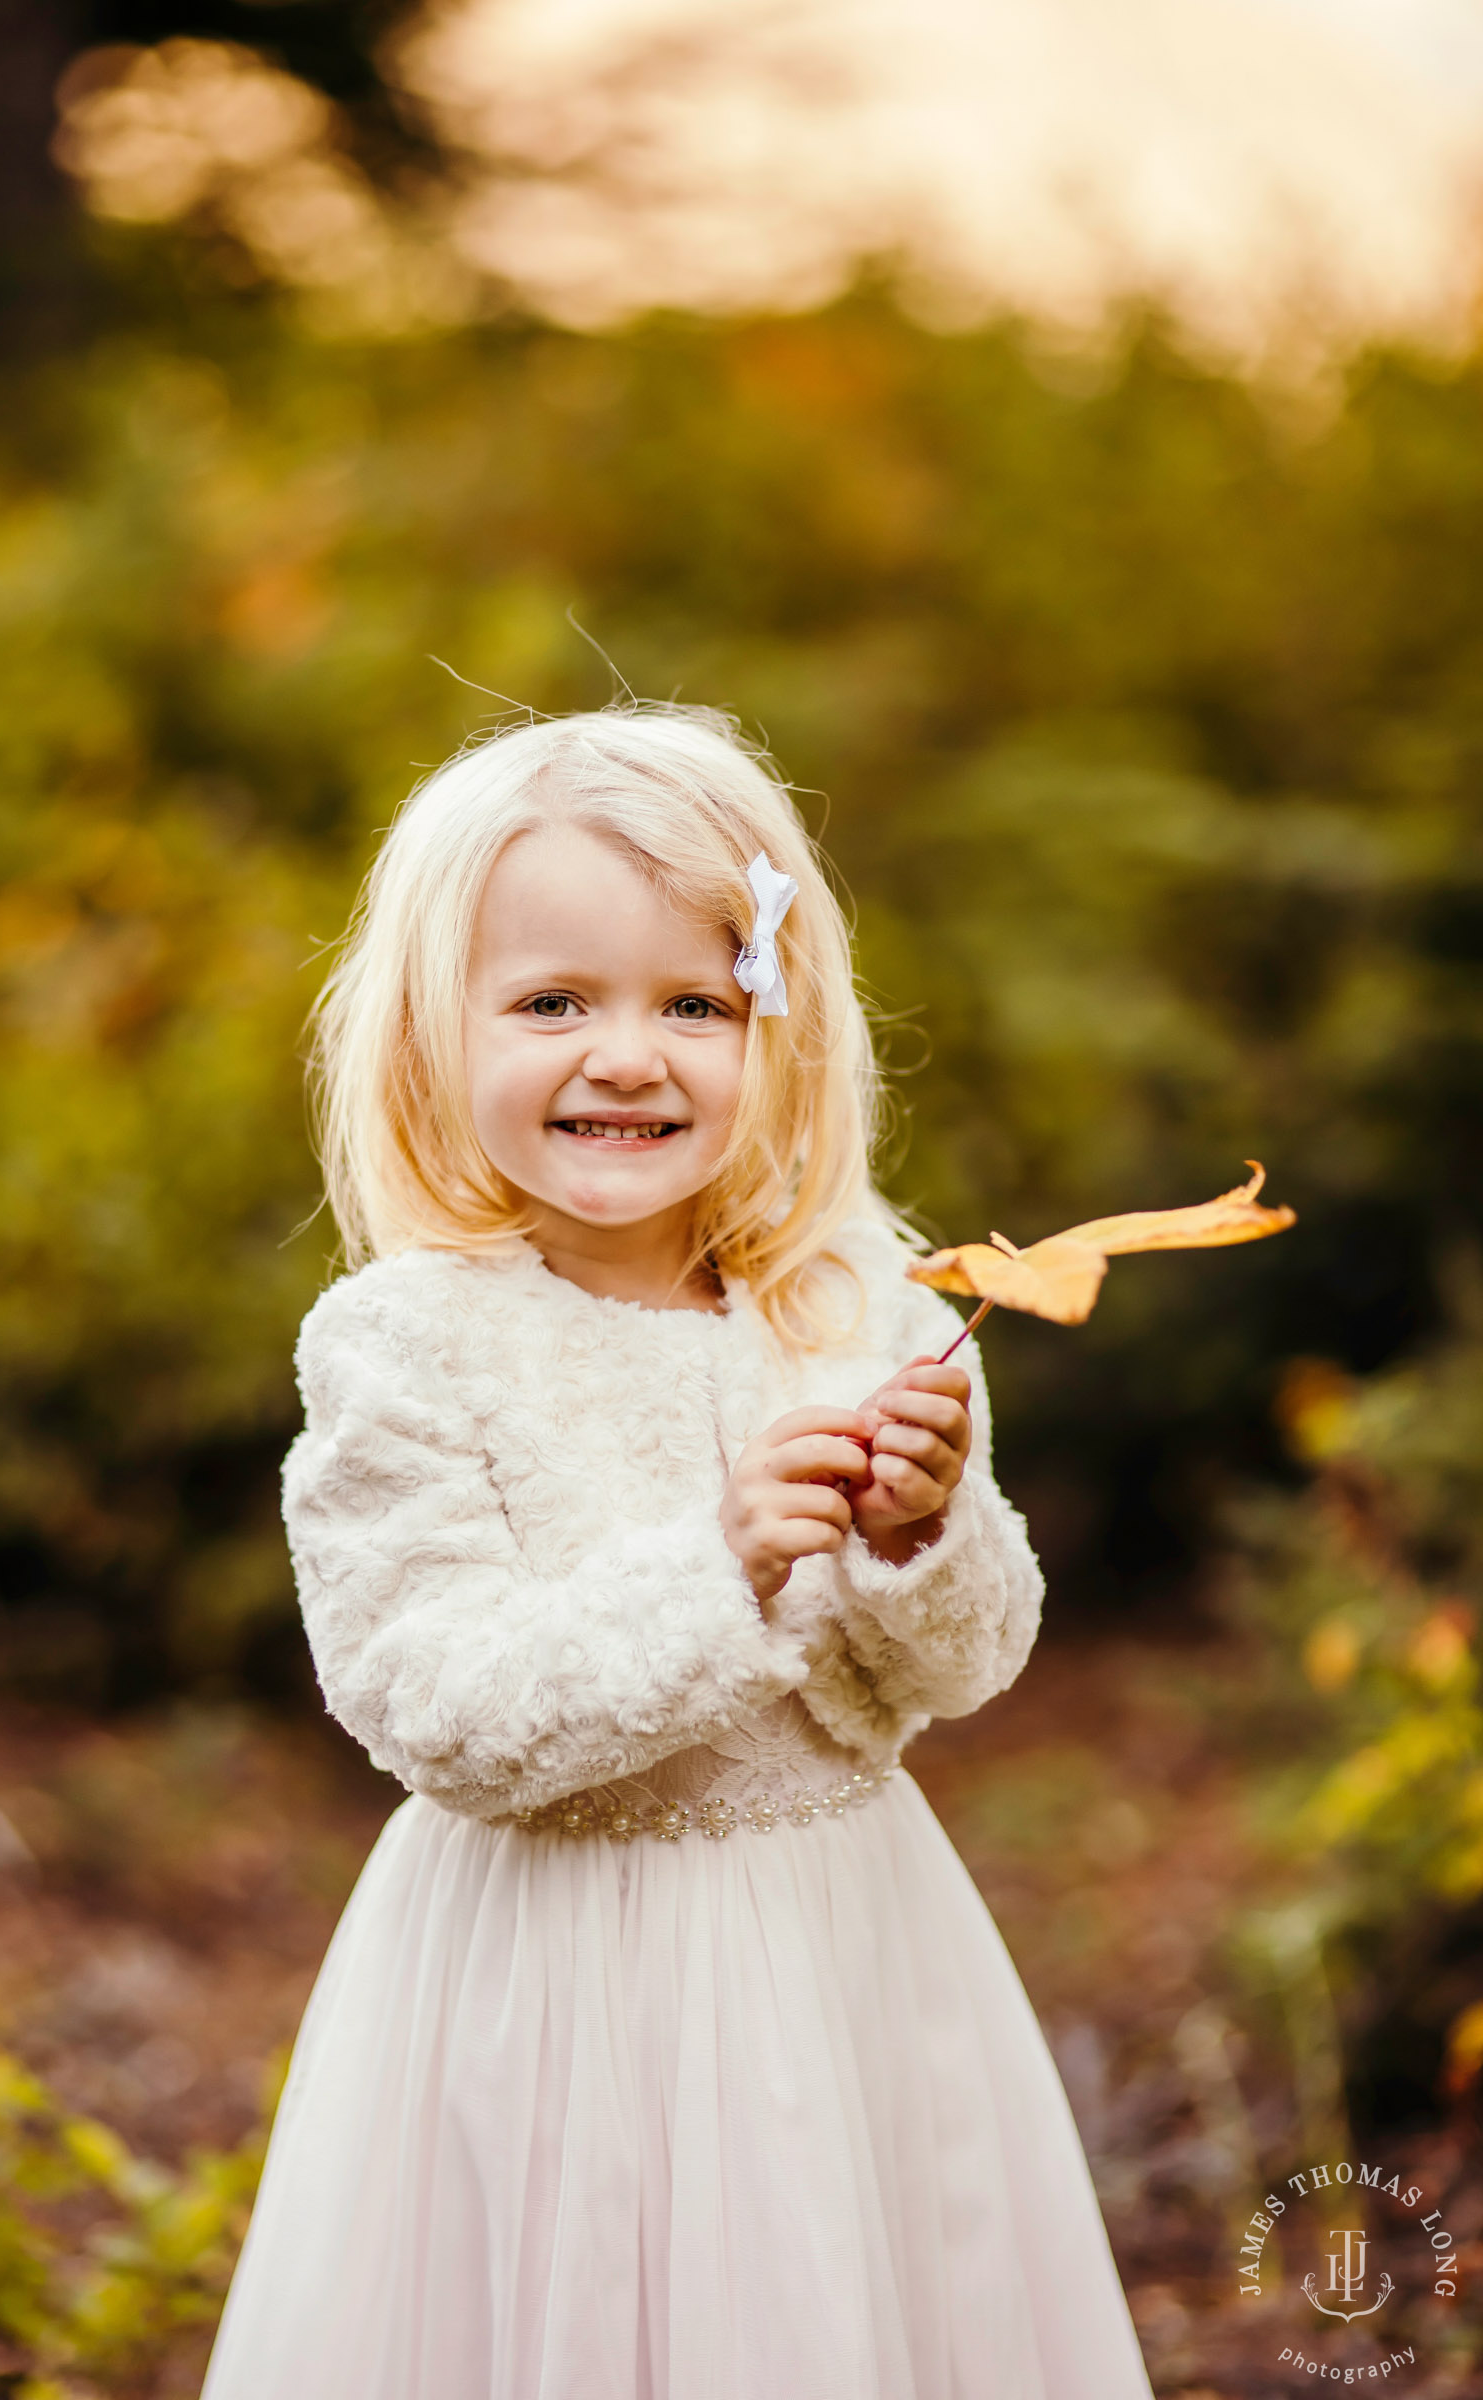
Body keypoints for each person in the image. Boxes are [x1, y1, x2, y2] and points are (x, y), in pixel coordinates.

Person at [200, 705, 1153, 2400]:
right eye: (554, 1001)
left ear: (778, 1033)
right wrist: (719, 1574)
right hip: (552, 1984)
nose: (626, 1055)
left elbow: (960, 1666)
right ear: (435, 1039)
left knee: (831, 2305)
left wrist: (922, 1536)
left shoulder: (859, 1297)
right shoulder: (408, 1343)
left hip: (838, 1936)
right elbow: (435, 1704)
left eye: (694, 1004)